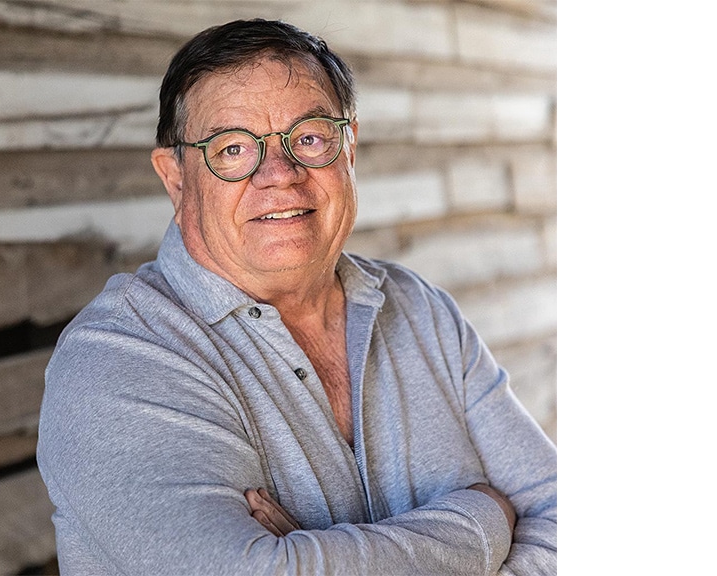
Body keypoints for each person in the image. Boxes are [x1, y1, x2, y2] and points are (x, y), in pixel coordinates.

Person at [37, 18, 556, 575]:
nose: (279, 174)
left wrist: (308, 554)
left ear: (348, 149)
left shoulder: (421, 310)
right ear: (178, 179)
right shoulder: (117, 358)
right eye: (232, 148)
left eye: (309, 138)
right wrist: (484, 518)